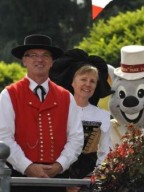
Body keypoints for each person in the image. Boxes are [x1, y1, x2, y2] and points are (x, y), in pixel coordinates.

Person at [0, 34, 84, 192]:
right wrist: (27, 166)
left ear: (52, 62)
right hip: (19, 179)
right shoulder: (8, 95)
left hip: (57, 180)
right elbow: (3, 137)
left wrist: (60, 165)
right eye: (33, 55)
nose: (40, 60)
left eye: (45, 55)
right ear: (24, 60)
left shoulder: (66, 96)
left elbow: (76, 137)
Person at [49, 48, 113, 191]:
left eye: (92, 81)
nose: (88, 84)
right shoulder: (56, 111)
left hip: (88, 183)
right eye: (83, 79)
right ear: (73, 82)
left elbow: (105, 153)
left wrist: (89, 179)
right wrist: (64, 181)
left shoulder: (102, 116)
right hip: (56, 178)